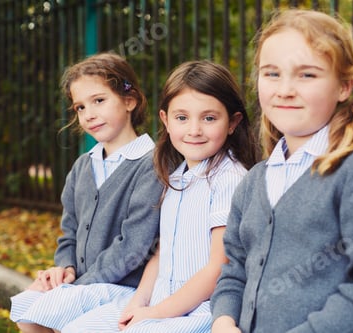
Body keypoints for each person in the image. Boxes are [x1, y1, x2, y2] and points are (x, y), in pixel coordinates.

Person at [210, 9, 353, 333]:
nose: (285, 89)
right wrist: (222, 320)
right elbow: (233, 269)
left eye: (307, 75)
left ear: (344, 87)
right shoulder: (253, 182)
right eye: (271, 73)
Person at [52, 59, 258, 333]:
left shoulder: (229, 179)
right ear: (166, 120)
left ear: (232, 122)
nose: (194, 130)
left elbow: (218, 268)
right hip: (162, 300)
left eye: (209, 118)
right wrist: (138, 304)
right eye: (182, 118)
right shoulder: (174, 176)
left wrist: (155, 313)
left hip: (200, 309)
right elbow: (161, 254)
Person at [9, 52, 163, 333]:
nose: (89, 114)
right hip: (82, 283)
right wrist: (65, 268)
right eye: (80, 107)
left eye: (99, 101)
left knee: (50, 315)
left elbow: (133, 247)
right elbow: (69, 232)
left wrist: (76, 288)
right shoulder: (82, 166)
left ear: (129, 101)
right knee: (27, 311)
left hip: (124, 290)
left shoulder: (150, 166)